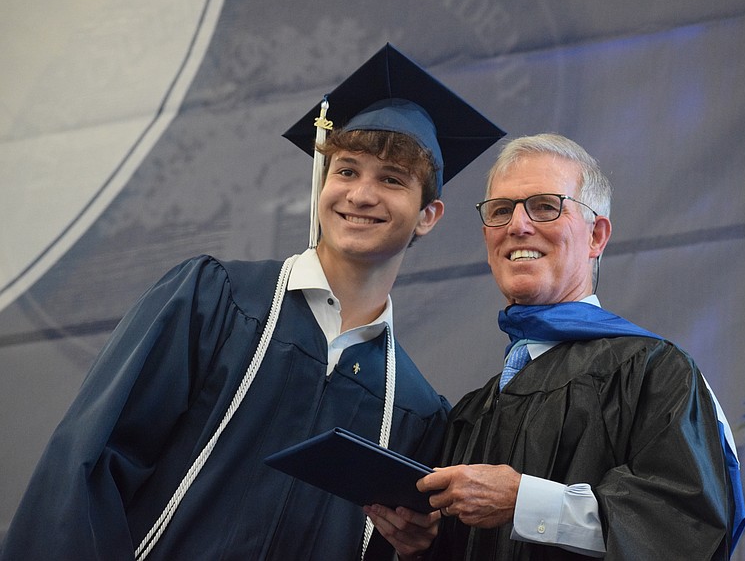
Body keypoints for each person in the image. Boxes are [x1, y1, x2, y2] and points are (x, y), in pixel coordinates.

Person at [0, 44, 503, 561]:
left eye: (391, 179)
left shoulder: (415, 411)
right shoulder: (213, 300)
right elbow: (86, 467)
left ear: (428, 215)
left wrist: (416, 552)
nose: (360, 195)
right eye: (347, 171)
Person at [415, 134, 745, 560]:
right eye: (501, 210)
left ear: (596, 236)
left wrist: (523, 501)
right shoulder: (473, 411)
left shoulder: (653, 373)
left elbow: (683, 529)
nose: (517, 226)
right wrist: (419, 547)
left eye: (545, 206)